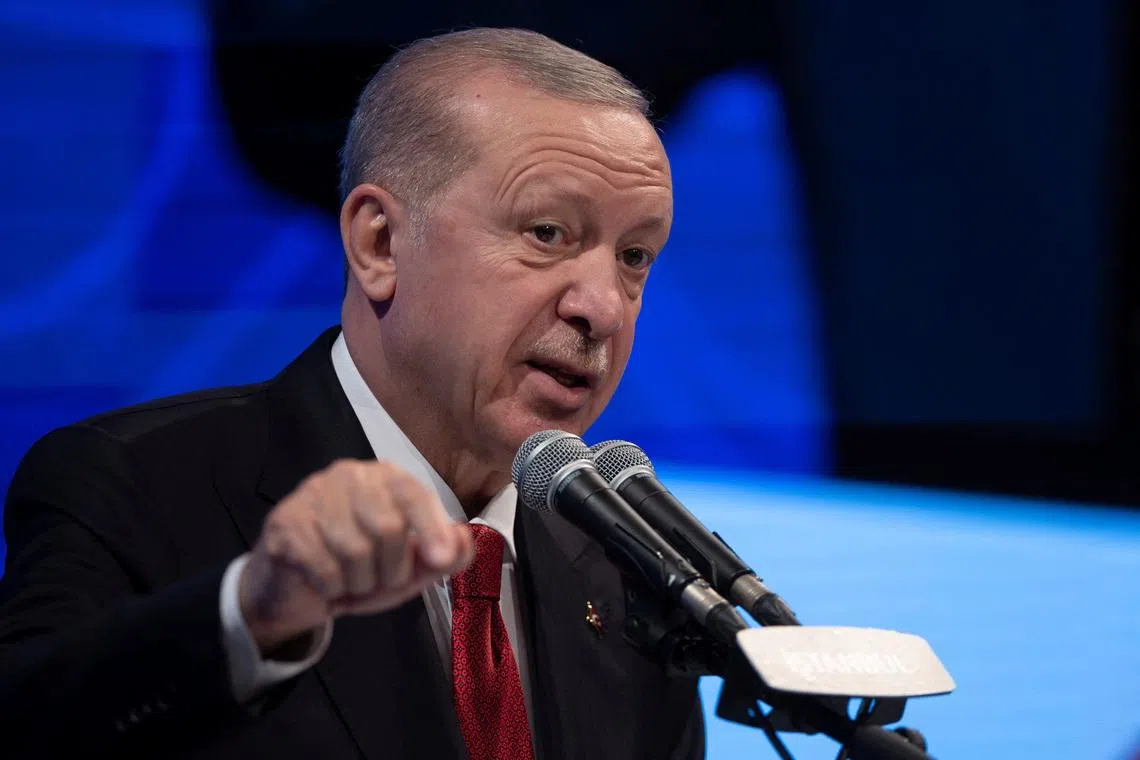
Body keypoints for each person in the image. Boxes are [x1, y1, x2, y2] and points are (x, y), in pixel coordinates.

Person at [0, 27, 703, 759]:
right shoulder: (134, 482)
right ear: (378, 244)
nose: (604, 307)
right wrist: (253, 613)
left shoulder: (631, 576)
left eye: (633, 257)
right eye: (548, 231)